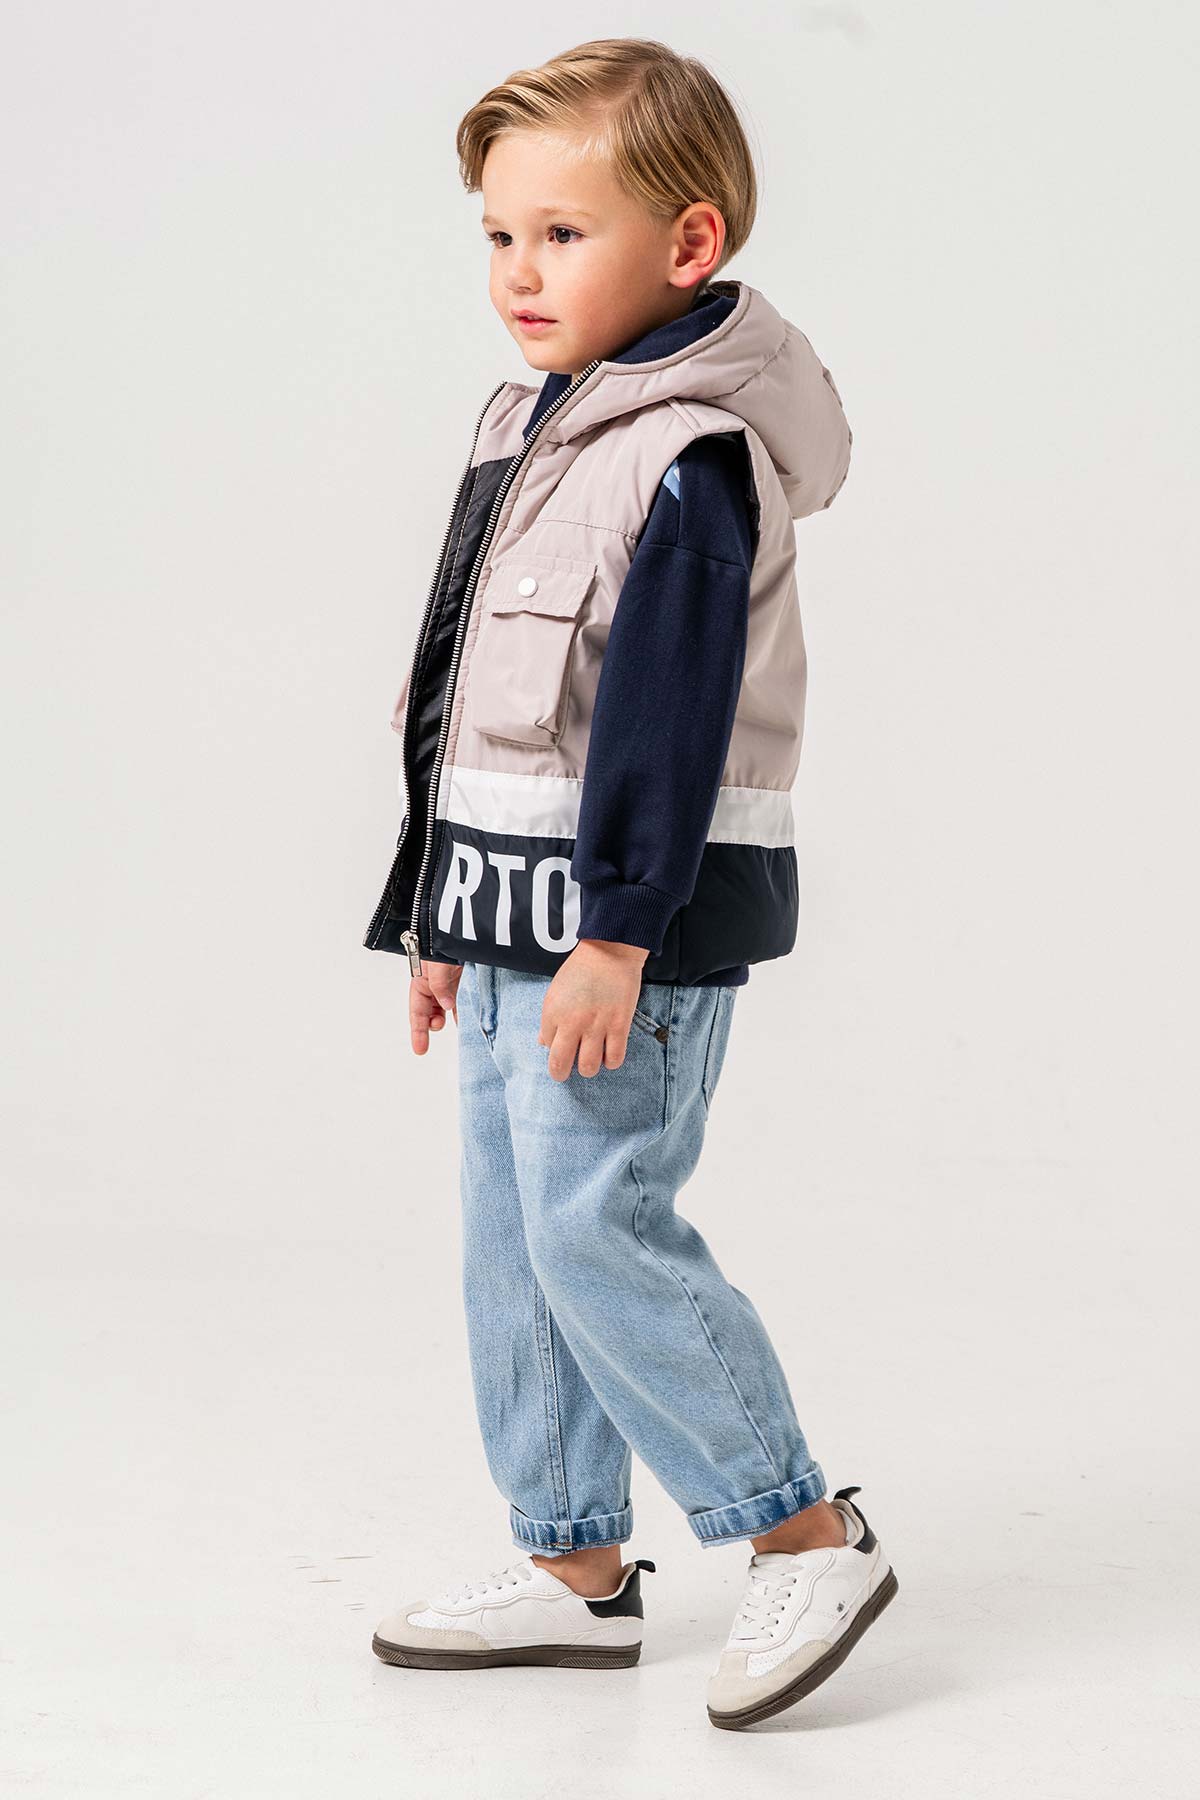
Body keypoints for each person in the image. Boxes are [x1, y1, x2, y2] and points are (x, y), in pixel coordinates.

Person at [365, 37, 896, 1729]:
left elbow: (665, 724)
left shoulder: (691, 454)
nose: (518, 274)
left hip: (622, 936)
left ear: (688, 242)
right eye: (497, 236)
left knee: (596, 1224)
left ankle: (803, 1531)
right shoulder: (523, 426)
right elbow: (459, 688)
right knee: (513, 1242)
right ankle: (574, 1565)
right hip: (505, 915)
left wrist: (616, 935)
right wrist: (435, 911)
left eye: (562, 234)